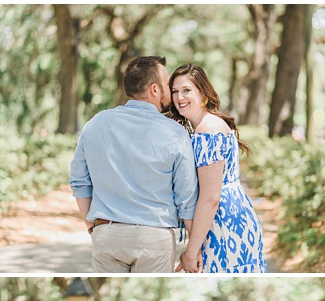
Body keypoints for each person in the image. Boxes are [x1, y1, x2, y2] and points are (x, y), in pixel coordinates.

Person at [70, 56, 199, 273]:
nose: (172, 92)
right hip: (154, 237)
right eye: (168, 85)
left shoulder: (95, 124)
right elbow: (186, 197)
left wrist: (92, 226)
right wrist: (193, 251)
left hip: (107, 233)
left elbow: (79, 182)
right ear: (155, 90)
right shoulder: (174, 132)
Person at [168, 65, 266, 273]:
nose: (179, 97)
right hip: (224, 218)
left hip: (224, 224)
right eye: (175, 91)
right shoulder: (205, 126)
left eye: (186, 90)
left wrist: (191, 253)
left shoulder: (208, 129)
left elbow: (211, 197)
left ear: (202, 93)